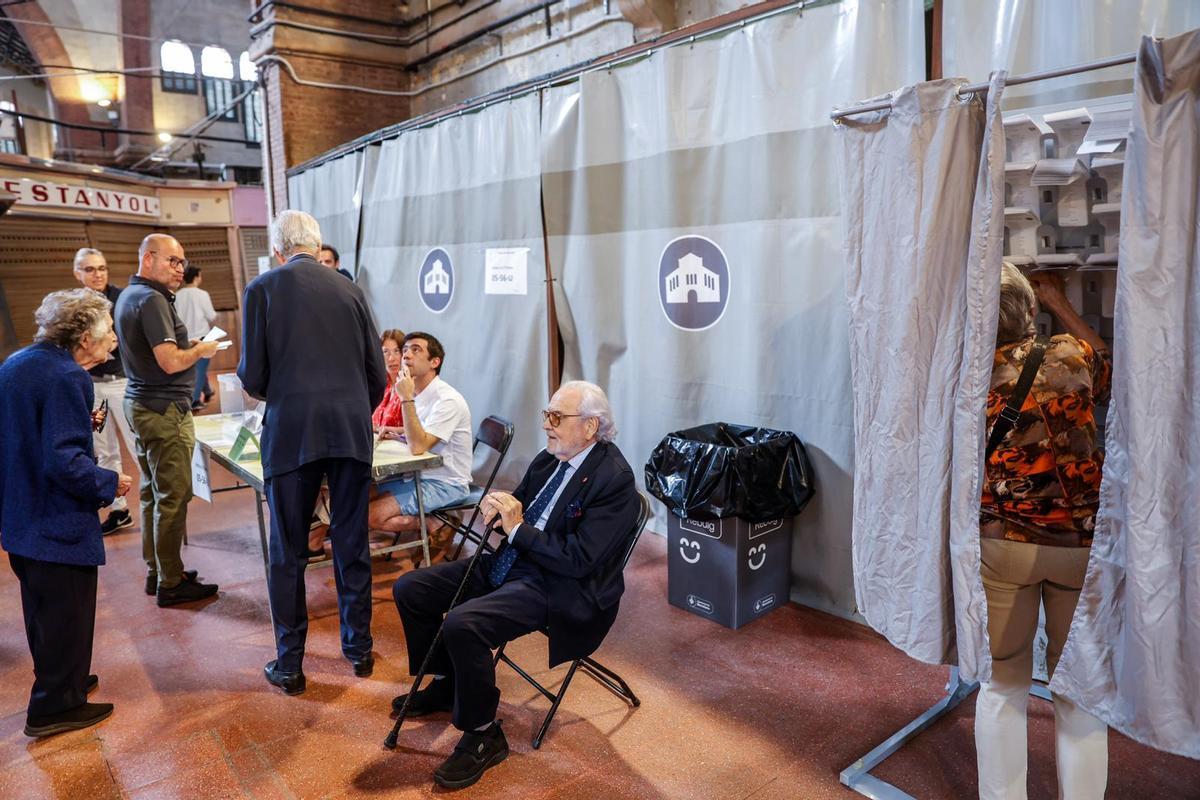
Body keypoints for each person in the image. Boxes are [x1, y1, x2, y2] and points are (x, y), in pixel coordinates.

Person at [392, 381, 639, 789]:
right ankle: (448, 682)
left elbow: (577, 561)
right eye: (547, 415)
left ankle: (484, 733)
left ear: (592, 426)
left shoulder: (613, 481)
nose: (547, 425)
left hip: (558, 586)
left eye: (557, 417)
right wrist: (499, 507)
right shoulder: (549, 459)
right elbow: (519, 506)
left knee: (462, 623)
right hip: (514, 562)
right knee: (410, 590)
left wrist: (518, 528)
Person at [975, 265, 1111, 800]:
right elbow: (1106, 364)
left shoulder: (966, 377)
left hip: (1002, 544)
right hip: (1078, 547)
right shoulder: (1069, 356)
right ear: (1030, 310)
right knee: (1077, 693)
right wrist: (1059, 301)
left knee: (1002, 683)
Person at [239, 210, 388, 695]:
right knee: (351, 540)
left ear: (278, 248)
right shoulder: (350, 290)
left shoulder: (263, 289)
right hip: (350, 431)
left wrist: (289, 398)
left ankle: (290, 664)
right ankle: (359, 650)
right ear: (317, 244)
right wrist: (349, 410)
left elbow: (252, 375)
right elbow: (377, 374)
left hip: (292, 434)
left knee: (288, 549)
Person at [0, 289, 133, 737]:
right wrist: (109, 483)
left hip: (20, 514)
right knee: (67, 613)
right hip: (54, 520)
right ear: (82, 337)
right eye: (108, 330)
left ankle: (66, 680)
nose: (114, 338)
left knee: (44, 612)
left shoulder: (20, 363)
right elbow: (64, 461)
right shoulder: (66, 378)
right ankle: (54, 706)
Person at [114, 234, 221, 607]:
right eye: (172, 261)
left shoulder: (130, 296)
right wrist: (202, 349)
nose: (179, 269)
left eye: (182, 262)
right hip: (163, 411)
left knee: (152, 494)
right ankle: (171, 583)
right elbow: (171, 362)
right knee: (173, 497)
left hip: (143, 404)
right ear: (148, 259)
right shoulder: (151, 299)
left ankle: (158, 570)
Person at [367, 332, 472, 565]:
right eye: (405, 349)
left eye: (416, 350)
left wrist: (405, 399)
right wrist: (397, 431)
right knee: (357, 499)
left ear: (435, 362)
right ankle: (432, 522)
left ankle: (439, 522)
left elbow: (418, 446)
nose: (406, 355)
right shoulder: (421, 393)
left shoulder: (447, 400)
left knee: (369, 516)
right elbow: (421, 432)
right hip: (416, 475)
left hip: (444, 483)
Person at [307, 328, 406, 556]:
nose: (391, 358)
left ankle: (315, 537)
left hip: (395, 465)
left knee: (339, 484)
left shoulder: (408, 388)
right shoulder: (381, 385)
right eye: (385, 352)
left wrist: (386, 430)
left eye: (397, 351)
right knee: (320, 478)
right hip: (374, 454)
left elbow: (415, 430)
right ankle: (315, 532)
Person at [71, 248, 137, 535]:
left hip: (122, 381)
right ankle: (119, 509)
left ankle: (156, 501)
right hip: (91, 385)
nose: (97, 274)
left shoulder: (122, 298)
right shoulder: (73, 305)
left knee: (139, 446)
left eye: (102, 268)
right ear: (78, 273)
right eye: (90, 269)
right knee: (104, 451)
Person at [175, 265, 217, 412]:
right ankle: (194, 401)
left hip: (185, 338)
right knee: (199, 368)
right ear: (197, 276)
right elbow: (211, 315)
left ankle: (208, 391)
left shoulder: (177, 295)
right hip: (202, 337)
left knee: (198, 367)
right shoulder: (202, 294)